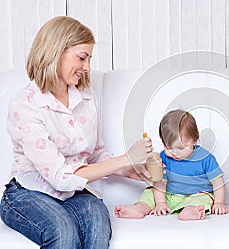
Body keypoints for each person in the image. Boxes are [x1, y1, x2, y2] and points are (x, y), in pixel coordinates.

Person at [0, 16, 154, 249]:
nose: (87, 67)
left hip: (74, 193)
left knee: (97, 225)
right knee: (62, 231)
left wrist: (131, 170)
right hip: (28, 193)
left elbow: (95, 155)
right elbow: (60, 177)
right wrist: (126, 158)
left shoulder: (86, 96)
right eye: (82, 58)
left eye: (89, 59)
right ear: (55, 53)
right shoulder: (25, 106)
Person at [114, 109, 228, 220]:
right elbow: (160, 182)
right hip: (169, 196)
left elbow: (218, 182)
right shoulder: (164, 157)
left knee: (203, 198)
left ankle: (190, 210)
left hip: (195, 195)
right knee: (149, 192)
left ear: (195, 139)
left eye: (180, 147)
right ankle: (139, 208)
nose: (174, 153)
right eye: (168, 147)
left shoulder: (205, 158)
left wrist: (219, 203)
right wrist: (161, 203)